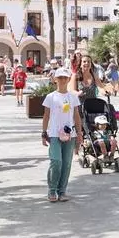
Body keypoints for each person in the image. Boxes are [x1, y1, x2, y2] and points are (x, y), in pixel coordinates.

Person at [41, 68, 84, 202]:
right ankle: (52, 189)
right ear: (55, 80)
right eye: (60, 78)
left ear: (68, 79)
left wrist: (79, 132)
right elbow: (46, 116)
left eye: (65, 78)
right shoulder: (51, 97)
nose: (63, 80)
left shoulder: (73, 97)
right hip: (54, 134)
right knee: (56, 161)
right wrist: (43, 132)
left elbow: (76, 116)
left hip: (69, 134)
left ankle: (62, 191)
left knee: (66, 164)